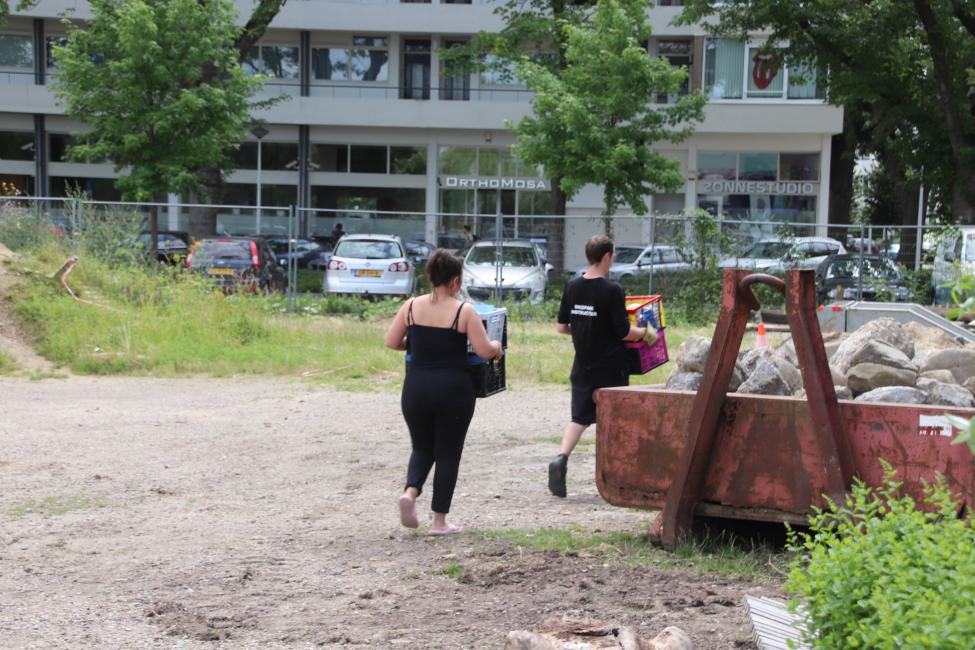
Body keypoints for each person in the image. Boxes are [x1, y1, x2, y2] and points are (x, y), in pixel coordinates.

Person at [384, 250, 503, 534]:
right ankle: (439, 521)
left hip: (415, 389)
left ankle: (410, 493)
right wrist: (498, 349)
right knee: (448, 452)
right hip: (453, 390)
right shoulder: (464, 311)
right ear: (456, 282)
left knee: (421, 446)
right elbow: (484, 351)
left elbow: (391, 341)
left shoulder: (411, 306)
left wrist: (415, 346)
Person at [548, 235, 656, 498]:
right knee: (617, 419)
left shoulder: (572, 286)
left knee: (579, 418)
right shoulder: (612, 289)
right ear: (607, 256)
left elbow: (562, 327)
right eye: (613, 256)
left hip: (582, 364)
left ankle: (561, 459)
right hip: (611, 367)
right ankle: (619, 475)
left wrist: (586, 328)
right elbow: (623, 332)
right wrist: (645, 333)